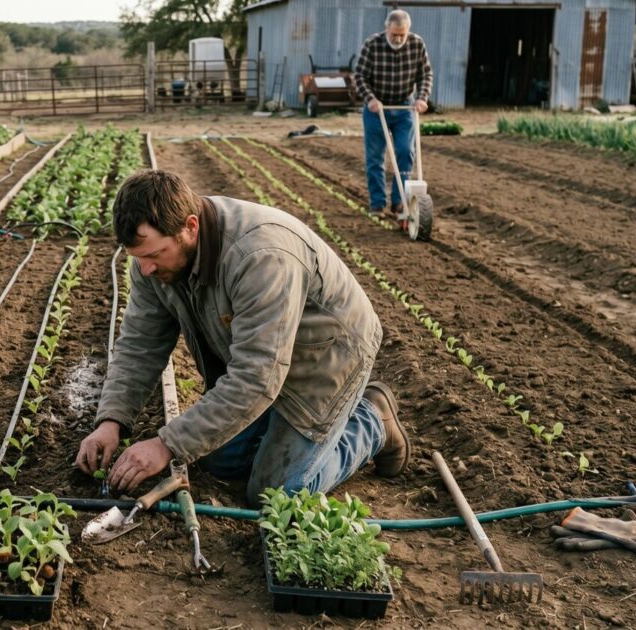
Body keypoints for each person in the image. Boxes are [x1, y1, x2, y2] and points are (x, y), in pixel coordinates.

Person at [75, 170, 409, 504]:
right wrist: (111, 421)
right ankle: (280, 430)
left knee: (276, 494)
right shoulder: (152, 264)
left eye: (154, 255)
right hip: (268, 354)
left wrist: (166, 445)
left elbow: (256, 378)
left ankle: (372, 421)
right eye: (138, 257)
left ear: (190, 227)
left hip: (327, 357)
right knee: (217, 460)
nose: (146, 268)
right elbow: (140, 345)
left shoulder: (260, 256)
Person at [353, 10, 433, 217]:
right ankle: (377, 204)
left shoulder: (417, 44)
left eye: (402, 35)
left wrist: (422, 98)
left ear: (408, 31)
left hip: (405, 106)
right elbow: (359, 76)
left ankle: (400, 202)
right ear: (386, 29)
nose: (398, 39)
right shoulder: (372, 44)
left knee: (406, 153)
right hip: (377, 107)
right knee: (375, 157)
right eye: (394, 35)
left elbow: (425, 74)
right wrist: (370, 99)